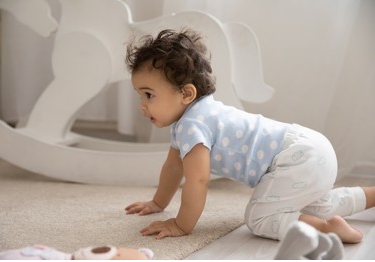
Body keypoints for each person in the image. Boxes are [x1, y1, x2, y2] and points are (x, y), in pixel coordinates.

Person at [124, 28, 375, 243]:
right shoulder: (198, 117)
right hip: (312, 147)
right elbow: (173, 167)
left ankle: (325, 229)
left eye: (149, 95)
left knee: (259, 217)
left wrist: (181, 224)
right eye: (140, 96)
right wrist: (158, 203)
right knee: (320, 205)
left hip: (293, 158)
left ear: (186, 94)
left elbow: (197, 181)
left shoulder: (192, 125)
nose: (142, 105)